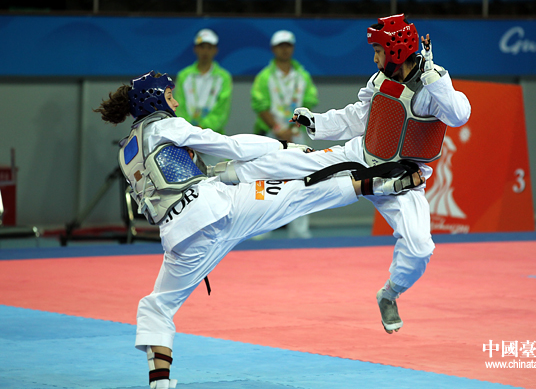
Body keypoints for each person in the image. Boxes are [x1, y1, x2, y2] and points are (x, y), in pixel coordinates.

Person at [94, 70, 423, 388]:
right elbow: (230, 145)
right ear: (154, 102)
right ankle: (375, 185)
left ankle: (160, 384)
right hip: (218, 209)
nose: (176, 103)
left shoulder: (126, 150)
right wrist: (281, 147)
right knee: (296, 194)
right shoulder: (167, 125)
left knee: (156, 306)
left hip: (180, 237)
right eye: (170, 97)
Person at [214, 14, 471, 334]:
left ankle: (390, 294)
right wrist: (317, 122)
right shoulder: (379, 80)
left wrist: (435, 79)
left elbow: (459, 115)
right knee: (294, 163)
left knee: (420, 248)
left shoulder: (433, 87)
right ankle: (224, 174)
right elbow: (356, 118)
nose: (374, 58)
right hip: (360, 155)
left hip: (401, 181)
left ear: (396, 51)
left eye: (378, 51)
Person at [251, 29, 319, 238]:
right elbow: (260, 105)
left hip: (296, 134)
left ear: (293, 48)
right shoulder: (264, 77)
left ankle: (300, 231)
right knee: (265, 180)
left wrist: (291, 129)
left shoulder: (302, 75)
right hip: (270, 136)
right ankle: (261, 230)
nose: (284, 49)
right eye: (280, 46)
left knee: (302, 180)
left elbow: (309, 102)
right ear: (273, 49)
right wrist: (278, 129)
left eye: (288, 45)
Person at [174, 28, 232, 135]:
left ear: (215, 50)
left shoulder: (224, 77)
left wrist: (203, 127)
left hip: (214, 136)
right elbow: (179, 106)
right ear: (195, 49)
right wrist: (189, 129)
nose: (205, 51)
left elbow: (222, 111)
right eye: (202, 47)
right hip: (186, 135)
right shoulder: (183, 76)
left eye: (209, 47)